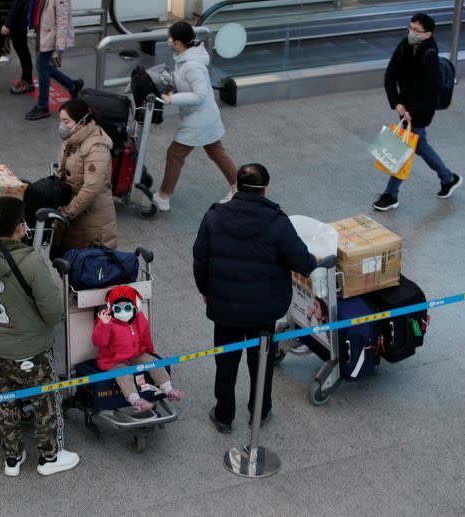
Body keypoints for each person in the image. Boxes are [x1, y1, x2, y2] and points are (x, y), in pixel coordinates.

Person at [192, 164, 317, 433]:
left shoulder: (214, 217)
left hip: (225, 308)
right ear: (265, 189)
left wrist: (205, 290)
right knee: (260, 361)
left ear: (236, 186)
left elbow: (200, 259)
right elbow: (301, 261)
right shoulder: (277, 221)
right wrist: (313, 260)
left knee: (226, 361)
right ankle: (260, 412)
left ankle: (224, 416)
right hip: (265, 309)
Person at [0, 196, 80, 477]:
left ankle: (12, 458)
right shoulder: (31, 262)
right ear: (19, 227)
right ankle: (50, 456)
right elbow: (53, 312)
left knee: (6, 402)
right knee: (46, 401)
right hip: (32, 349)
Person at [373, 13, 463, 211]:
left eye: (416, 30)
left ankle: (391, 194)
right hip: (404, 107)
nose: (411, 32)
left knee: (403, 148)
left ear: (427, 34)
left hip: (421, 110)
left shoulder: (430, 54)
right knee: (419, 144)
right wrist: (396, 103)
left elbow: (431, 90)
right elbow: (390, 76)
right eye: (410, 27)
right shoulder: (404, 45)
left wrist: (413, 112)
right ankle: (448, 178)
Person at [152, 21, 238, 212]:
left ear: (179, 43)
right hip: (205, 116)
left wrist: (171, 98)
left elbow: (200, 95)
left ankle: (163, 197)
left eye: (171, 38)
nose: (169, 41)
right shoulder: (187, 57)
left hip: (198, 119)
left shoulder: (192, 65)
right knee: (216, 151)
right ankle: (239, 188)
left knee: (175, 154)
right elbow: (186, 82)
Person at [91, 285, 186, 412]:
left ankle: (168, 389)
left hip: (136, 354)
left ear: (136, 307)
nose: (123, 312)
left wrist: (151, 350)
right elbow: (98, 342)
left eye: (127, 307)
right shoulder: (107, 322)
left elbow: (146, 337)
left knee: (154, 363)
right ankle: (136, 400)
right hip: (112, 360)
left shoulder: (140, 319)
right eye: (118, 309)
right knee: (124, 374)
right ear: (111, 309)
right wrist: (103, 325)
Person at [55, 98, 117, 250]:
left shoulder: (96, 148)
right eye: (60, 120)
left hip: (92, 225)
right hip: (76, 219)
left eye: (66, 121)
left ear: (81, 122)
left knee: (84, 269)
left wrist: (66, 213)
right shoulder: (71, 140)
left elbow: (91, 188)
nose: (62, 125)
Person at [24, 0, 84, 121]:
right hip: (43, 32)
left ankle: (43, 106)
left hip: (51, 36)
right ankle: (72, 85)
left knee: (41, 66)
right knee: (44, 67)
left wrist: (59, 48)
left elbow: (62, 20)